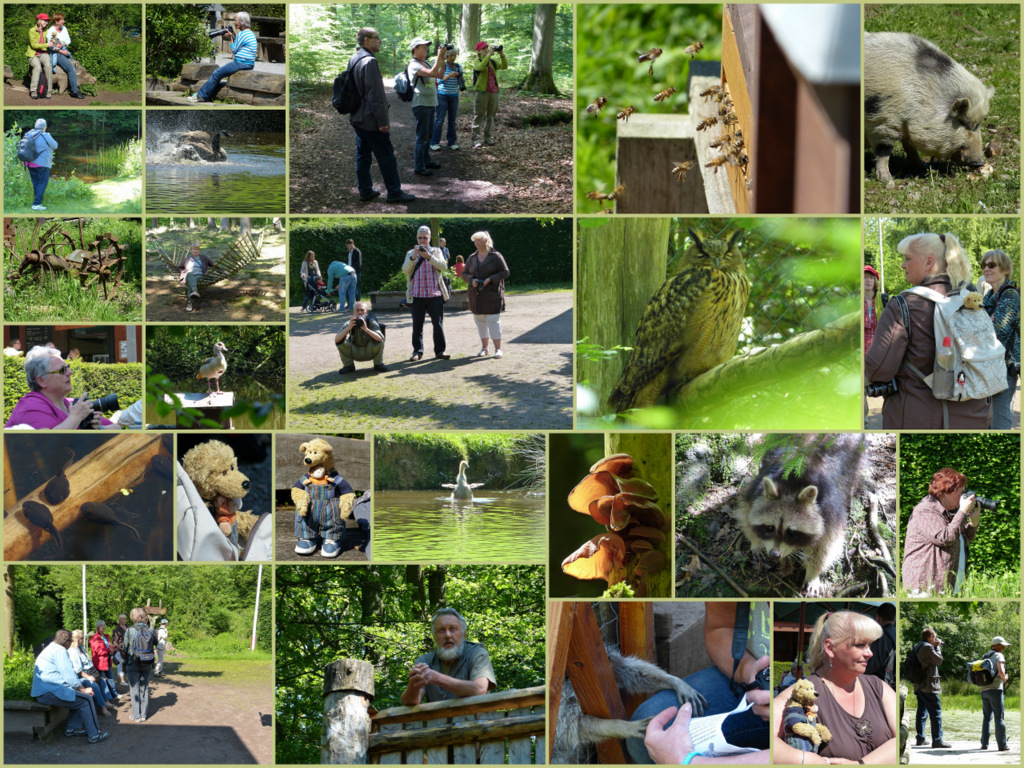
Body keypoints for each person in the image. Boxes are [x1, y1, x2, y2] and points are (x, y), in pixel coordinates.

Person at [864, 232, 992, 429]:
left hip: (918, 420)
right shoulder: (972, 302)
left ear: (928, 263)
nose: (902, 265)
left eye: (907, 259)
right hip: (974, 418)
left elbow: (878, 369)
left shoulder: (903, 305)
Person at [630, 602, 772, 763]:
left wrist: (688, 761)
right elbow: (720, 628)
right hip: (750, 679)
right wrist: (751, 673)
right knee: (647, 727)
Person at [773, 611, 897, 764]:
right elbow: (766, 739)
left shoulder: (879, 687)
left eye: (869, 645)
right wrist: (804, 760)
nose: (869, 653)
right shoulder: (802, 694)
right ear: (830, 648)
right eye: (860, 645)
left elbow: (901, 739)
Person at [347, 28, 415, 203]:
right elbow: (375, 95)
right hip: (370, 120)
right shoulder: (369, 61)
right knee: (386, 156)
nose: (381, 41)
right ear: (367, 40)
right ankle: (394, 192)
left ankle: (365, 190)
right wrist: (383, 122)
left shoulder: (354, 58)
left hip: (358, 118)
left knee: (362, 155)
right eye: (378, 38)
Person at [901, 467, 978, 596]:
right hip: (924, 586)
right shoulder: (925, 510)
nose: (963, 497)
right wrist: (963, 512)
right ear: (946, 492)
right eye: (961, 493)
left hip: (947, 585)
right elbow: (945, 538)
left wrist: (973, 523)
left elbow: (963, 538)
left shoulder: (947, 511)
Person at [400, 608, 496, 705]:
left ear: (463, 635)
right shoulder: (425, 661)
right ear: (435, 637)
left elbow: (480, 689)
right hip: (439, 720)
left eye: (452, 629)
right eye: (441, 630)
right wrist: (413, 685)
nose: (447, 635)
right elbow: (410, 702)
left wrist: (436, 677)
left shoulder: (477, 653)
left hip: (476, 720)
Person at [5, 346, 115, 429]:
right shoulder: (31, 407)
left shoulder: (69, 404)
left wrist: (99, 428)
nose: (70, 372)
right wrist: (76, 418)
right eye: (62, 370)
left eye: (68, 367)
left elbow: (117, 428)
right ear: (42, 380)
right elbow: (47, 445)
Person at [31, 629, 109, 743]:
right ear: (67, 642)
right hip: (48, 692)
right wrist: (82, 689)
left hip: (45, 691)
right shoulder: (60, 651)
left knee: (78, 697)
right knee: (86, 699)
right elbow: (69, 676)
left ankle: (72, 729)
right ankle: (94, 734)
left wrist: (79, 688)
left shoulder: (51, 648)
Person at [980, 249, 1020, 429]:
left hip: (1005, 367)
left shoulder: (1010, 294)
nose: (985, 269)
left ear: (1005, 269)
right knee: (987, 421)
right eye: (983, 265)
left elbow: (997, 333)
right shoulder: (988, 297)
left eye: (991, 265)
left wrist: (981, 325)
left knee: (1000, 422)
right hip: (989, 366)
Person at [402, 226, 450, 361]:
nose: (422, 240)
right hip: (417, 295)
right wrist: (414, 257)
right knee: (417, 325)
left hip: (435, 294)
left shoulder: (436, 251)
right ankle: (417, 352)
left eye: (425, 238)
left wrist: (429, 257)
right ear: (417, 238)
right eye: (420, 238)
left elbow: (443, 266)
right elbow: (405, 270)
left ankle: (440, 351)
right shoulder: (410, 253)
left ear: (429, 238)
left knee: (438, 324)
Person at [187, 12, 257, 103]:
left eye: (235, 20)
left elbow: (235, 50)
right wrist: (232, 36)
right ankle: (206, 94)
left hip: (240, 63)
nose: (234, 22)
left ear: (242, 22)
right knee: (219, 74)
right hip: (249, 64)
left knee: (217, 73)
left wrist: (231, 38)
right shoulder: (251, 34)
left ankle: (201, 96)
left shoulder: (242, 34)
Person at [463, 231, 510, 358]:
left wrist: (491, 279)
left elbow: (505, 272)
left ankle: (498, 349)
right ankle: (484, 348)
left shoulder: (496, 256)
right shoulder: (472, 257)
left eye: (479, 240)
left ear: (486, 240)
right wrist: (472, 280)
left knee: (493, 321)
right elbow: (464, 274)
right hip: (476, 295)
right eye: (475, 241)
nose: (476, 243)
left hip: (492, 294)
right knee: (480, 322)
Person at [408, 38, 446, 176]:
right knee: (422, 136)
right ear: (415, 49)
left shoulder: (426, 63)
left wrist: (443, 60)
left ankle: (426, 160)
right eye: (423, 47)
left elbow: (439, 75)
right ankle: (419, 166)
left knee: (428, 135)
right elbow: (431, 73)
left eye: (426, 47)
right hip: (421, 104)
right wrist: (439, 57)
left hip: (430, 103)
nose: (426, 49)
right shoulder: (413, 65)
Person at [911, 627, 949, 749]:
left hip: (919, 684)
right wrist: (937, 646)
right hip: (928, 685)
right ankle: (937, 740)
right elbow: (939, 661)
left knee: (922, 711)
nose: (935, 639)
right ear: (930, 637)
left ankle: (920, 738)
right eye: (934, 637)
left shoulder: (918, 645)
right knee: (936, 712)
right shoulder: (927, 647)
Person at [470, 41, 508, 149]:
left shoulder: (492, 61)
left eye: (486, 48)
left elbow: (504, 66)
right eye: (483, 49)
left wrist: (502, 55)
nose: (486, 50)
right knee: (479, 115)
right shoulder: (477, 61)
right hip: (482, 92)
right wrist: (488, 56)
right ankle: (476, 140)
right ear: (478, 52)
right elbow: (480, 68)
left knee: (490, 116)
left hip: (494, 92)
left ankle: (487, 138)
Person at [68, 630, 115, 716]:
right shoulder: (73, 651)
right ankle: (103, 708)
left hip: (90, 670)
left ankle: (106, 701)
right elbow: (78, 671)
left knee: (102, 680)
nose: (83, 639)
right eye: (82, 638)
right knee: (94, 685)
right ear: (77, 639)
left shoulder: (81, 648)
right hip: (82, 675)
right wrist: (88, 677)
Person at [335, 300, 387, 374]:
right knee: (341, 341)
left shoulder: (371, 321)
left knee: (379, 340)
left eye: (362, 310)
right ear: (353, 312)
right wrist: (348, 328)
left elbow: (380, 338)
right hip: (354, 351)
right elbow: (337, 340)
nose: (360, 312)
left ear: (366, 312)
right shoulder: (350, 323)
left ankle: (378, 364)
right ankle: (348, 366)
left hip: (370, 351)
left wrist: (366, 329)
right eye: (357, 310)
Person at [978, 635, 1010, 752]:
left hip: (983, 690)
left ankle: (984, 744)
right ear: (995, 645)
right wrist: (1005, 678)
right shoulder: (999, 655)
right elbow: (1001, 672)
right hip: (995, 689)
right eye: (1002, 645)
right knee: (999, 717)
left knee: (986, 717)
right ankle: (1002, 745)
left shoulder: (984, 656)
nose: (1003, 648)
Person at [431, 49, 465, 151]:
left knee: (452, 121)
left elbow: (462, 80)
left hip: (454, 96)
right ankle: (434, 142)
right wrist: (449, 75)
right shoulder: (443, 66)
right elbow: (438, 81)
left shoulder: (458, 66)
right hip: (442, 95)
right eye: (451, 56)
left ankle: (451, 142)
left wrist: (460, 77)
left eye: (454, 55)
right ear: (447, 56)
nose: (453, 58)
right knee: (439, 120)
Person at [22, 118, 59, 212]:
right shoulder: (45, 135)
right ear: (44, 127)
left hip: (30, 163)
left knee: (36, 183)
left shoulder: (28, 134)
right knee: (42, 182)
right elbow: (55, 146)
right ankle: (37, 203)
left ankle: (37, 201)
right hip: (42, 163)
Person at [45, 13, 85, 99]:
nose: (64, 21)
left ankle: (79, 85)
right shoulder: (50, 31)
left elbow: (68, 40)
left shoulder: (64, 28)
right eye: (62, 20)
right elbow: (51, 46)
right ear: (56, 21)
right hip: (56, 53)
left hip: (65, 50)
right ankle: (74, 91)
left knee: (77, 64)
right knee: (70, 67)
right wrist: (62, 52)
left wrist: (63, 43)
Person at [124, 607, 153, 722]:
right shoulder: (149, 630)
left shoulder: (129, 630)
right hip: (146, 661)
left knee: (134, 689)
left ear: (133, 617)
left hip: (132, 661)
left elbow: (125, 647)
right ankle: (143, 715)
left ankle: (136, 716)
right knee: (144, 688)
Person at [864, 603, 896, 687]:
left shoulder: (881, 637)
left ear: (877, 617)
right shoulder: (896, 635)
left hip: (878, 685)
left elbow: (871, 666)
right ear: (894, 619)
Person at [178, 243, 214, 312]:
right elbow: (180, 267)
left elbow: (213, 265)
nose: (195, 251)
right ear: (191, 250)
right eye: (193, 249)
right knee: (189, 275)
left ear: (199, 250)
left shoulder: (204, 257)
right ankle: (195, 291)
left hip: (200, 275)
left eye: (196, 249)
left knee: (190, 283)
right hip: (190, 275)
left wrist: (223, 271)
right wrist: (182, 273)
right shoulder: (187, 259)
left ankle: (189, 303)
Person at [89, 620, 118, 702]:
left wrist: (112, 649)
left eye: (104, 625)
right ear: (98, 627)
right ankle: (104, 696)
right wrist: (109, 650)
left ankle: (114, 694)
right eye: (101, 625)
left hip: (107, 660)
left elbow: (108, 645)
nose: (103, 627)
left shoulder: (105, 636)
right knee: (101, 680)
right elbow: (98, 651)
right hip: (100, 662)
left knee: (110, 678)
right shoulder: (95, 638)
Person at [26, 13, 53, 99]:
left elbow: (53, 38)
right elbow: (34, 45)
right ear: (39, 20)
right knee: (37, 67)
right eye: (45, 20)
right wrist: (47, 44)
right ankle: (33, 90)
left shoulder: (47, 31)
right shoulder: (32, 31)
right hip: (33, 53)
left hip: (43, 53)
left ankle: (49, 91)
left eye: (47, 21)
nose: (46, 22)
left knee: (48, 66)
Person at [863, 266, 880, 351]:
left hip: (879, 349)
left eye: (871, 278)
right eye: (865, 277)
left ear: (875, 281)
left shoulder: (882, 300)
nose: (868, 280)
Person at [111, 614, 128, 686]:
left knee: (128, 664)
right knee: (120, 665)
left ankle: (129, 679)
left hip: (128, 649)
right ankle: (122, 681)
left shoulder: (128, 627)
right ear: (119, 620)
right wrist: (118, 649)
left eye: (124, 619)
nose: (123, 620)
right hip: (120, 650)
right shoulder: (116, 630)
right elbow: (114, 641)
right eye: (121, 619)